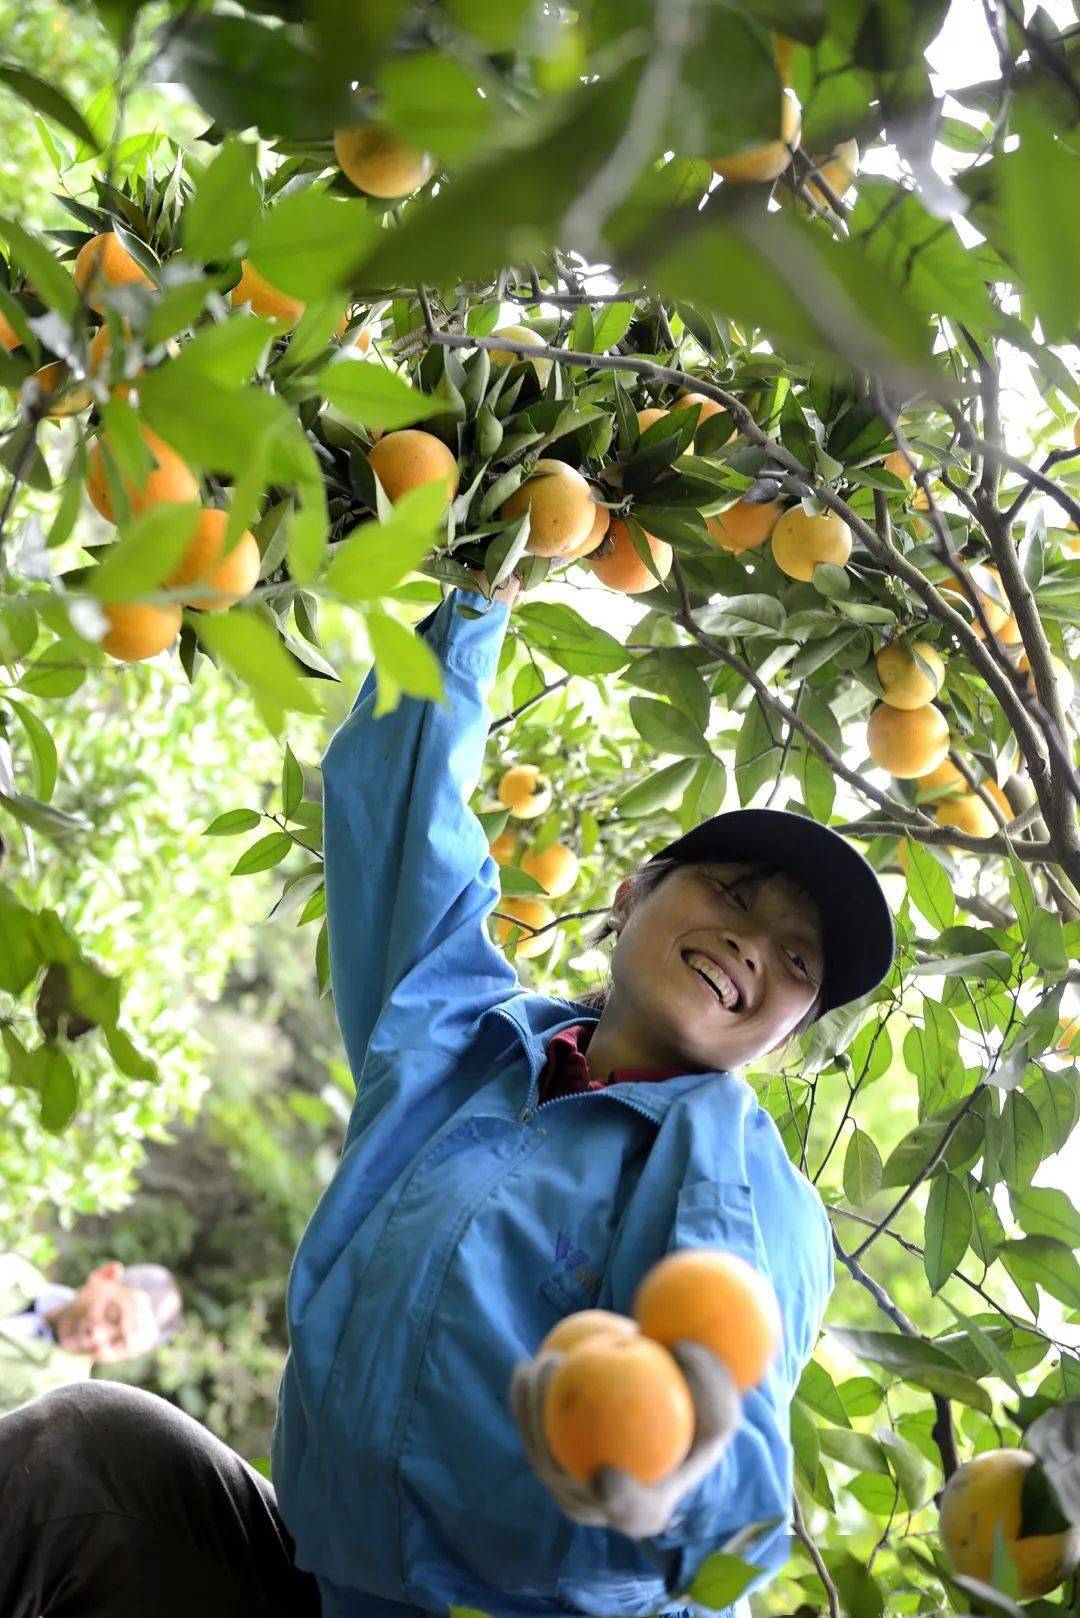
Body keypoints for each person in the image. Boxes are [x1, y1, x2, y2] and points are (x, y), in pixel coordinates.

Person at [0, 573, 895, 1618]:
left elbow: (729, 1455)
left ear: (787, 1030)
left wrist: (674, 1480)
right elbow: (400, 814)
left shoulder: (732, 1172)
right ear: (632, 890)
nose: (752, 944)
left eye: (797, 960)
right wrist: (475, 597)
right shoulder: (461, 1040)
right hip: (320, 1588)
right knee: (93, 1455)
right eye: (733, 893)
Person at [0, 1252, 183, 1413]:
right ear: (105, 1274)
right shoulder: (14, 1272)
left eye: (117, 1343)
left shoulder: (53, 1402)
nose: (97, 1336)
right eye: (111, 1315)